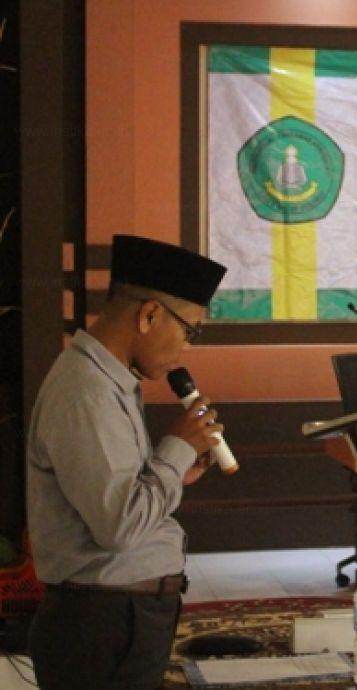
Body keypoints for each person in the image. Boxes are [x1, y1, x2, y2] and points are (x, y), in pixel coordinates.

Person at [25, 234, 227, 690]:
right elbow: (119, 526)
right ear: (149, 315)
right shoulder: (86, 392)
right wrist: (175, 449)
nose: (186, 347)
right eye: (189, 330)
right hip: (101, 626)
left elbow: (121, 497)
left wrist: (175, 472)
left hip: (120, 619)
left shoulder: (109, 383)